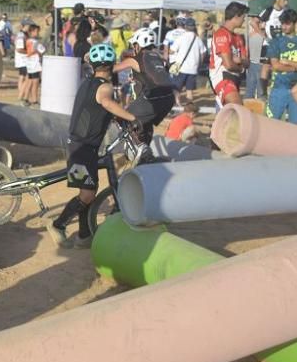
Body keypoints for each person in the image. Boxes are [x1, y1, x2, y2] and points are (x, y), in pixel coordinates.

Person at [47, 43, 141, 248]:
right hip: (82, 148)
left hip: (80, 145)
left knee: (88, 191)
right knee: (87, 194)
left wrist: (118, 119)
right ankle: (58, 225)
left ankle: (84, 235)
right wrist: (132, 118)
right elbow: (107, 103)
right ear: (111, 65)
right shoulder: (105, 87)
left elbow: (98, 109)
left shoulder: (87, 83)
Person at [114, 27, 177, 160]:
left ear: (139, 44)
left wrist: (94, 65)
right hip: (168, 99)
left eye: (134, 44)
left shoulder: (135, 59)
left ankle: (141, 150)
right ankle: (146, 154)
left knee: (122, 117)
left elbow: (113, 69)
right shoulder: (158, 57)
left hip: (152, 98)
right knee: (146, 123)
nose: (133, 47)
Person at [265, 8, 297, 123]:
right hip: (278, 88)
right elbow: (276, 66)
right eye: (282, 23)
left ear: (294, 22)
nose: (284, 27)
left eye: (287, 23)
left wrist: (289, 63)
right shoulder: (275, 42)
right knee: (271, 123)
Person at [209, 2, 250, 108]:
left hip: (235, 79)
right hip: (223, 78)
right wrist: (240, 67)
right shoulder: (221, 34)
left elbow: (247, 62)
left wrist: (239, 60)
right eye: (243, 17)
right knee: (238, 110)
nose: (244, 20)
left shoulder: (239, 38)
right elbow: (228, 65)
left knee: (227, 117)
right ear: (236, 16)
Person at [167, 17, 204, 104]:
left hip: (181, 68)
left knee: (176, 89)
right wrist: (199, 63)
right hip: (193, 69)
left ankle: (178, 104)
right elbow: (203, 53)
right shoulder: (198, 39)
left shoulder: (181, 38)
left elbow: (172, 51)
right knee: (189, 90)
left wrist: (166, 51)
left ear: (185, 27)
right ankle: (189, 107)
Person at [244, 12, 266, 99]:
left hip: (261, 63)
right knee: (250, 91)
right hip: (253, 63)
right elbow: (252, 23)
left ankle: (261, 110)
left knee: (260, 92)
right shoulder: (251, 27)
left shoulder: (262, 29)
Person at [23, 23, 46, 106]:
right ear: (31, 32)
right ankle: (34, 100)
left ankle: (26, 98)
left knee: (30, 81)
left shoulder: (28, 41)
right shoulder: (35, 42)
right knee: (35, 82)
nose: (37, 33)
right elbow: (42, 50)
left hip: (29, 63)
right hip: (35, 64)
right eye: (36, 31)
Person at [14, 20, 30, 104]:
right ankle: (21, 97)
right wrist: (29, 52)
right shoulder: (21, 35)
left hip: (22, 59)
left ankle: (21, 96)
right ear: (25, 26)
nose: (30, 27)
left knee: (22, 77)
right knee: (25, 77)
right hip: (23, 60)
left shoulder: (24, 35)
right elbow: (19, 49)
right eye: (29, 25)